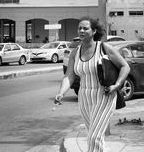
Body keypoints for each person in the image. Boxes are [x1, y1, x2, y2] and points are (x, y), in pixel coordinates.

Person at [54, 16, 130, 152]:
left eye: (85, 28)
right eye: (79, 28)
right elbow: (69, 76)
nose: (81, 31)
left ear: (94, 31)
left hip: (104, 96)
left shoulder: (104, 47)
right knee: (96, 138)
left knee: (93, 138)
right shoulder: (75, 52)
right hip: (84, 98)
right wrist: (61, 92)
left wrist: (117, 85)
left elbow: (125, 66)